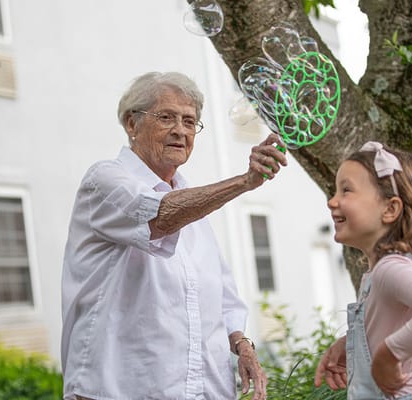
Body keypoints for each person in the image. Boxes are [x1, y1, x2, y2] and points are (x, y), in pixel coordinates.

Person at [61, 71, 287, 400]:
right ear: (131, 124)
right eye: (166, 117)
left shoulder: (193, 204)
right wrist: (244, 181)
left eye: (190, 121)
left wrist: (243, 347)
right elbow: (159, 215)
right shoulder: (104, 180)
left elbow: (223, 299)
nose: (180, 130)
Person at [313, 141, 412, 399]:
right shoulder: (381, 272)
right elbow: (388, 324)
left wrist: (388, 355)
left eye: (346, 191)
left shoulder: (390, 270)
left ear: (390, 209)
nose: (332, 201)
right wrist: (349, 344)